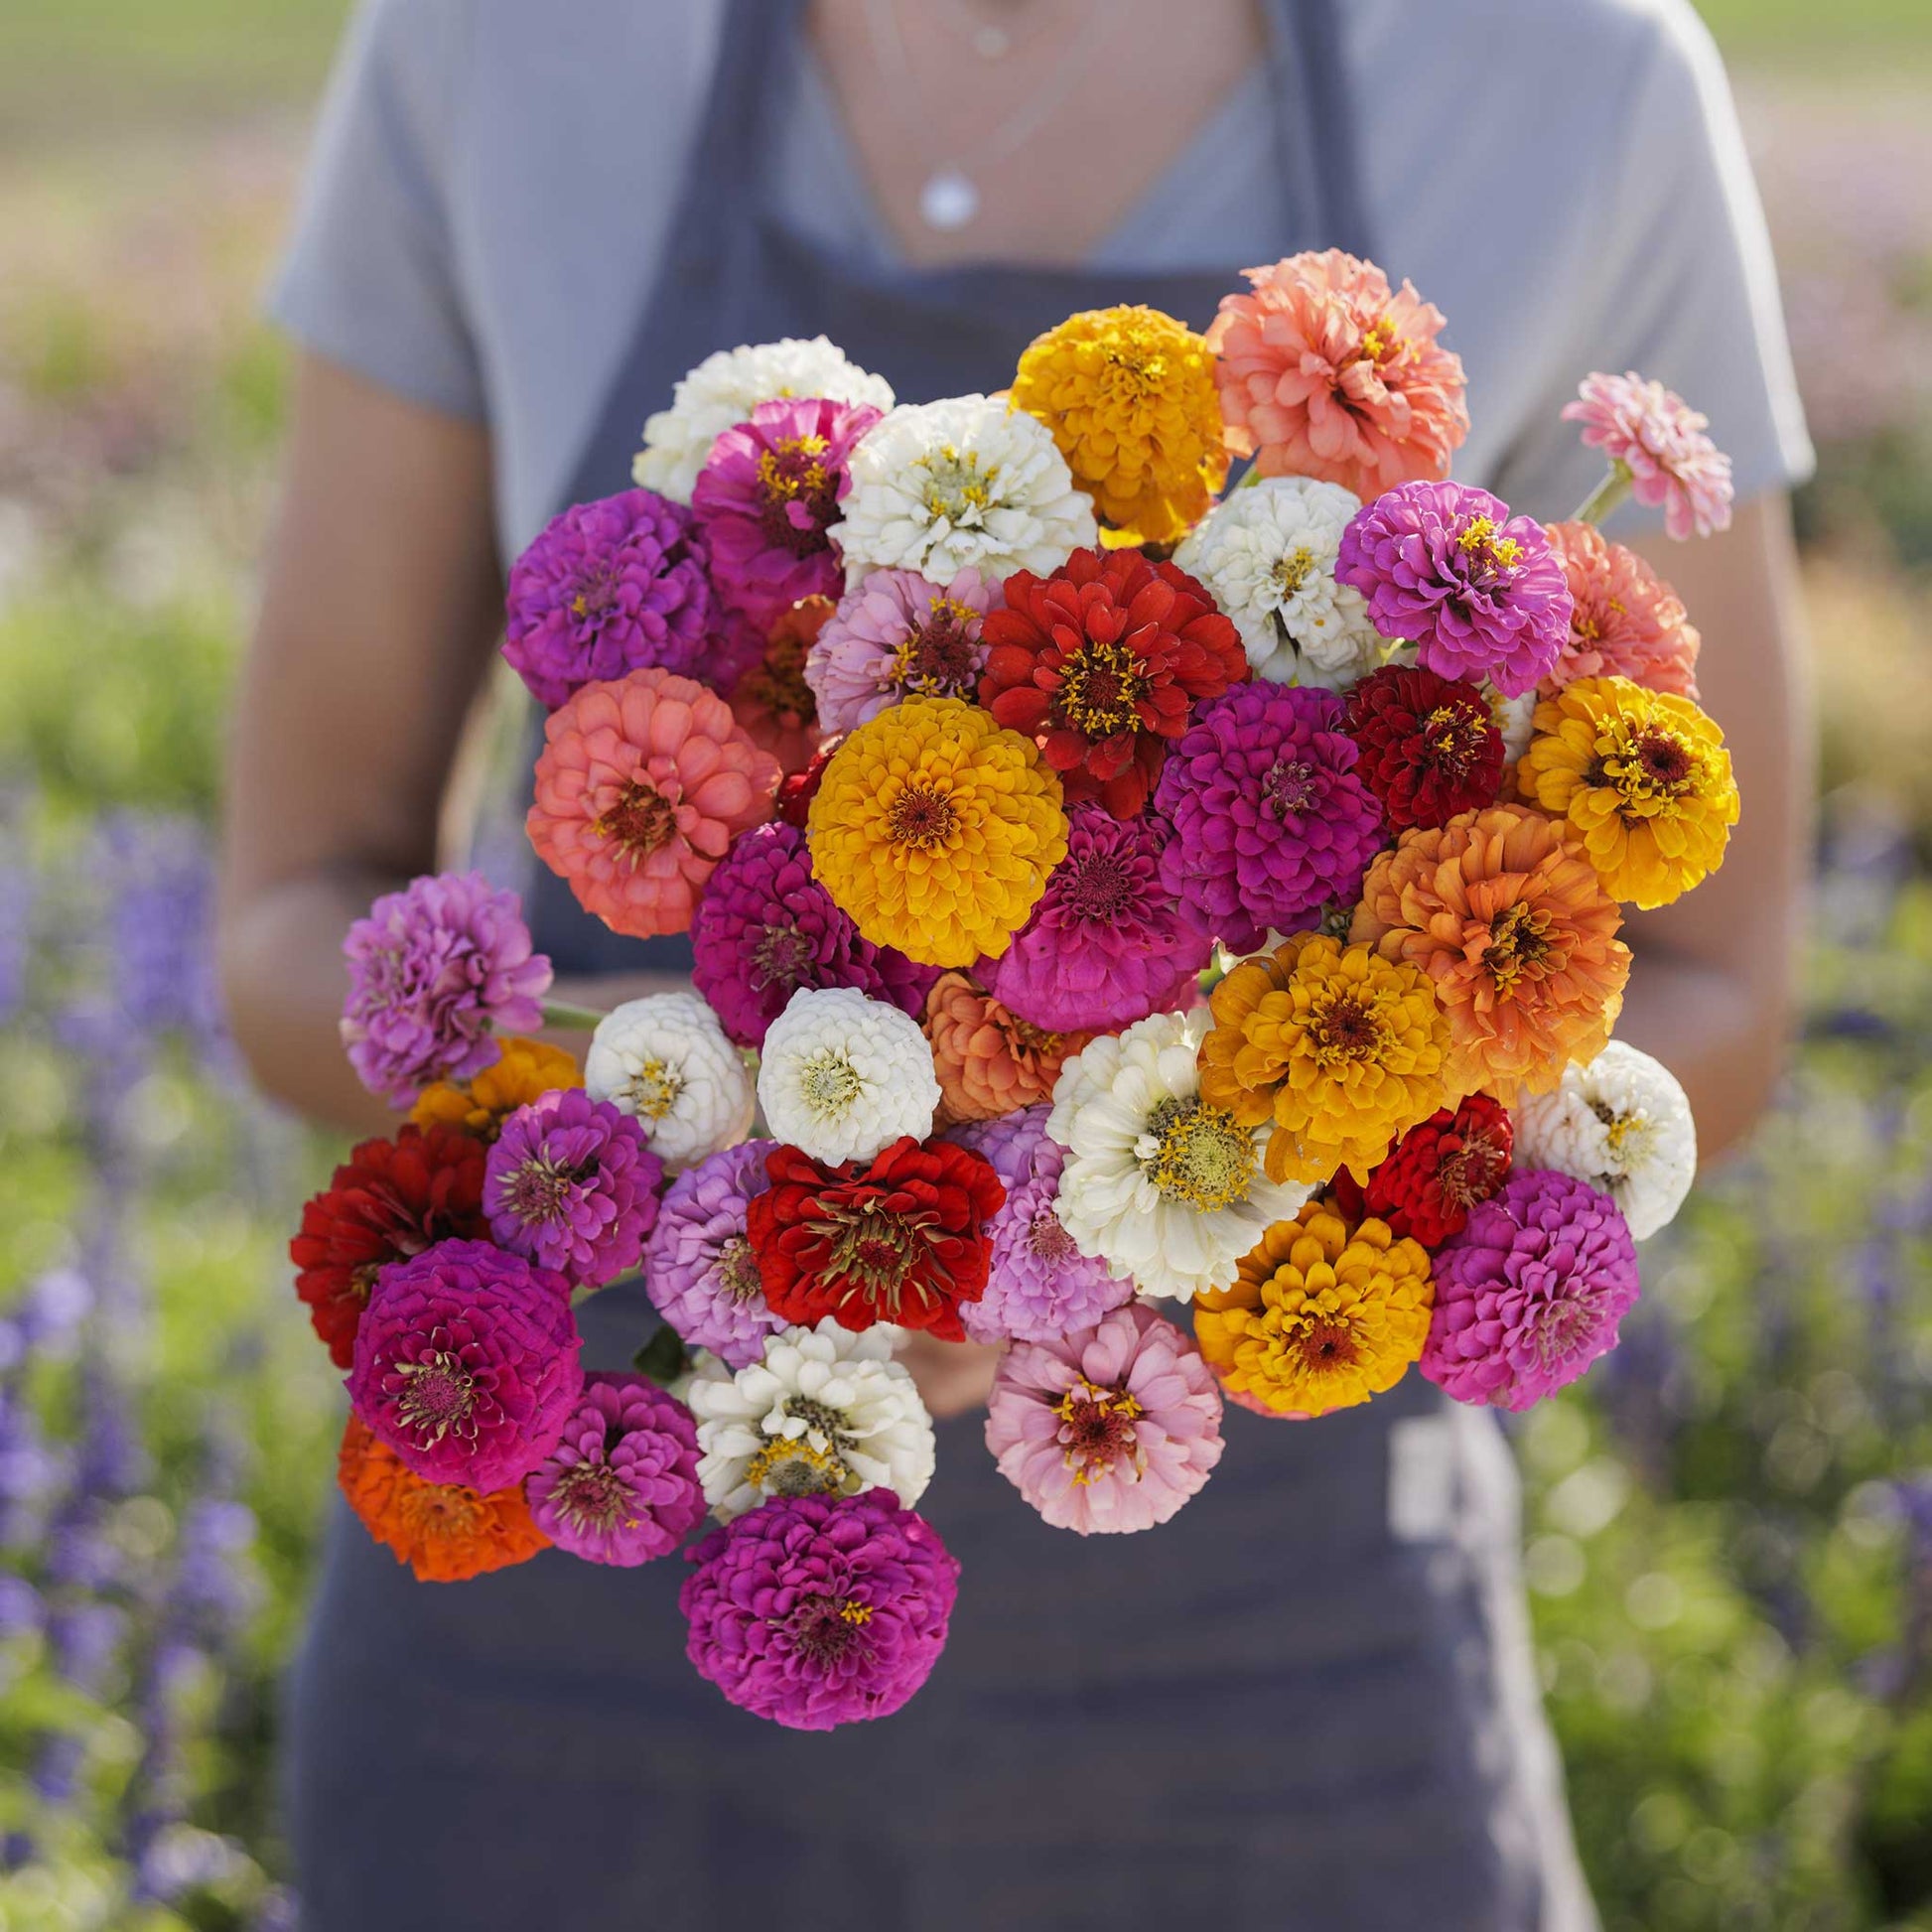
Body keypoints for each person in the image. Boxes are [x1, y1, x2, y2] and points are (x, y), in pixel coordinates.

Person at [218, 0, 1814, 1925]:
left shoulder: (1566, 77)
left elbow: (1717, 985)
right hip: (572, 1613)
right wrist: (703, 1148)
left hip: (1273, 1673)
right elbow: (295, 909)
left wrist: (1209, 1164)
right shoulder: (505, 44)